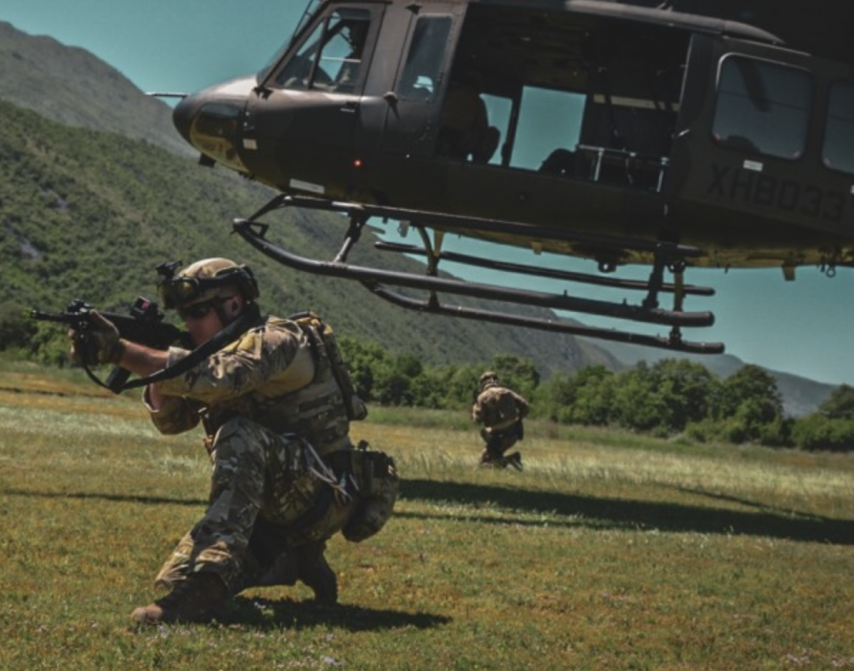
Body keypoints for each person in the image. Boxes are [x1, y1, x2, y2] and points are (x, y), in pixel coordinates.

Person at [70, 257, 393, 625]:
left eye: (199, 312)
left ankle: (206, 587)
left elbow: (220, 378)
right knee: (173, 578)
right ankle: (297, 557)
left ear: (234, 304)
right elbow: (173, 421)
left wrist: (120, 351)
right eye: (185, 316)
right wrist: (149, 360)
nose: (190, 325)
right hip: (276, 506)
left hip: (325, 493)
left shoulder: (281, 340)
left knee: (239, 434)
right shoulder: (212, 353)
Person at [471, 371, 529, 470]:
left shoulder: (483, 396)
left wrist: (474, 409)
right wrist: (517, 420)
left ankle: (511, 459)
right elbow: (525, 406)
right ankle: (511, 458)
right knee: (486, 462)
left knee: (483, 466)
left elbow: (477, 419)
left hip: (496, 436)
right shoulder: (508, 392)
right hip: (513, 434)